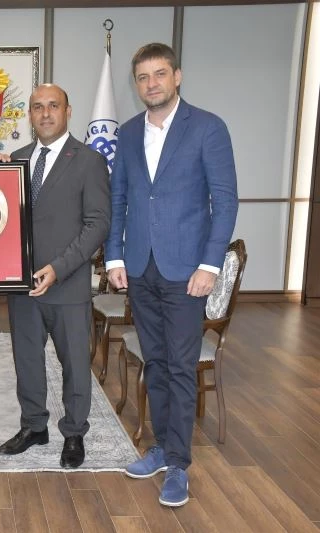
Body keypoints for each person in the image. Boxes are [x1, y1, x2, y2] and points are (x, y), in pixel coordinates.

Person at [105, 43, 238, 507]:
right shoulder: (127, 133)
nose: (152, 84)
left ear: (177, 76)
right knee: (156, 362)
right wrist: (114, 257)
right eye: (143, 77)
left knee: (181, 367)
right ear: (136, 84)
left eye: (160, 74)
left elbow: (225, 202)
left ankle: (178, 465)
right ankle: (162, 448)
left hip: (187, 273)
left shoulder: (207, 127)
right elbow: (118, 198)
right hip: (140, 268)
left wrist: (209, 265)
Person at [0, 84, 110, 468]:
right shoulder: (16, 160)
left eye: (53, 106)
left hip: (67, 282)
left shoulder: (89, 161)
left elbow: (97, 225)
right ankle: (33, 426)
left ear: (68, 111)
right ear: (29, 114)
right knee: (27, 360)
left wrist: (59, 268)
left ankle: (74, 432)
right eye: (37, 107)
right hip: (21, 284)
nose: (45, 114)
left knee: (74, 363)